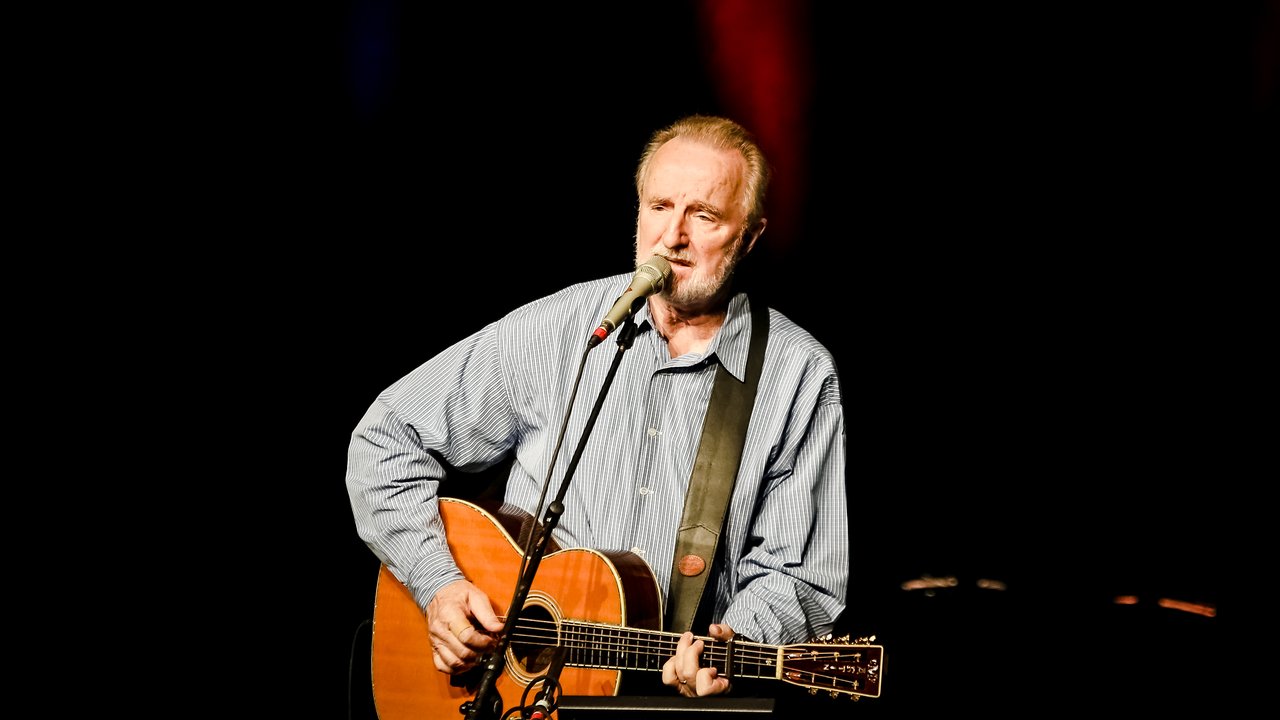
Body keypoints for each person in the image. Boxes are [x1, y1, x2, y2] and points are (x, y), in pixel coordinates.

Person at [346, 114, 848, 702]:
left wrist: (731, 646)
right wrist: (439, 584)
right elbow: (386, 437)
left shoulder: (797, 373)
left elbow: (800, 577)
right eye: (659, 207)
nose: (673, 236)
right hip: (501, 692)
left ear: (752, 235)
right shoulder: (562, 326)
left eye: (704, 215)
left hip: (662, 701)